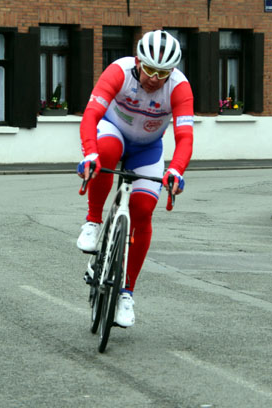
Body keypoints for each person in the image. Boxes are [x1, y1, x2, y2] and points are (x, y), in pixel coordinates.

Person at [76, 30, 194, 328]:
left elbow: (184, 136)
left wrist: (176, 170)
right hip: (112, 131)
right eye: (150, 69)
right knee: (107, 150)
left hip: (148, 148)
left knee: (142, 210)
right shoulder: (118, 71)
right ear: (138, 61)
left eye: (163, 73)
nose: (155, 78)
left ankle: (126, 293)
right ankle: (93, 221)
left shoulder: (179, 88)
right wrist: (90, 154)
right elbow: (91, 115)